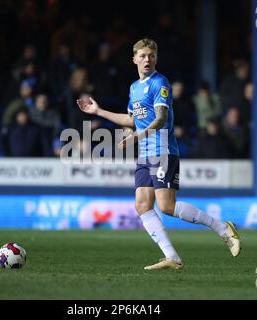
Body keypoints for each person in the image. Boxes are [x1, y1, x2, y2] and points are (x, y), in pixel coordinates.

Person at [77, 38, 241, 270]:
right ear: (134, 59)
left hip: (163, 149)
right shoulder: (134, 88)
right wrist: (98, 110)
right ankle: (172, 257)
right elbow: (131, 120)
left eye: (151, 56)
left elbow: (161, 118)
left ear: (156, 58)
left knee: (166, 206)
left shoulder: (160, 83)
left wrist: (137, 137)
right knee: (143, 205)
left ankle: (222, 228)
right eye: (143, 56)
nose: (147, 59)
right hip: (145, 154)